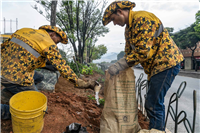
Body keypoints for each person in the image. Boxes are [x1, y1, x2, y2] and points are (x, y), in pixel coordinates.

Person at [102, 1, 184, 131]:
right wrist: (117, 66)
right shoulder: (129, 29)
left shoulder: (143, 18)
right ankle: (156, 129)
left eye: (113, 19)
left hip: (166, 64)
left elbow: (143, 53)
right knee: (152, 102)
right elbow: (129, 54)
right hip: (155, 68)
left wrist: (118, 66)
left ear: (120, 12)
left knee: (153, 103)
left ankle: (157, 130)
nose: (115, 23)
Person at [0, 25, 96, 120]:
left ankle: (7, 93)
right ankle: (5, 109)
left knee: (39, 77)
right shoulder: (48, 43)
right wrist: (81, 83)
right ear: (53, 34)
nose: (56, 45)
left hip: (2, 71)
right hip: (16, 78)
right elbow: (62, 67)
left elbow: (2, 48)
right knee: (39, 109)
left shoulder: (23, 31)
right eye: (57, 41)